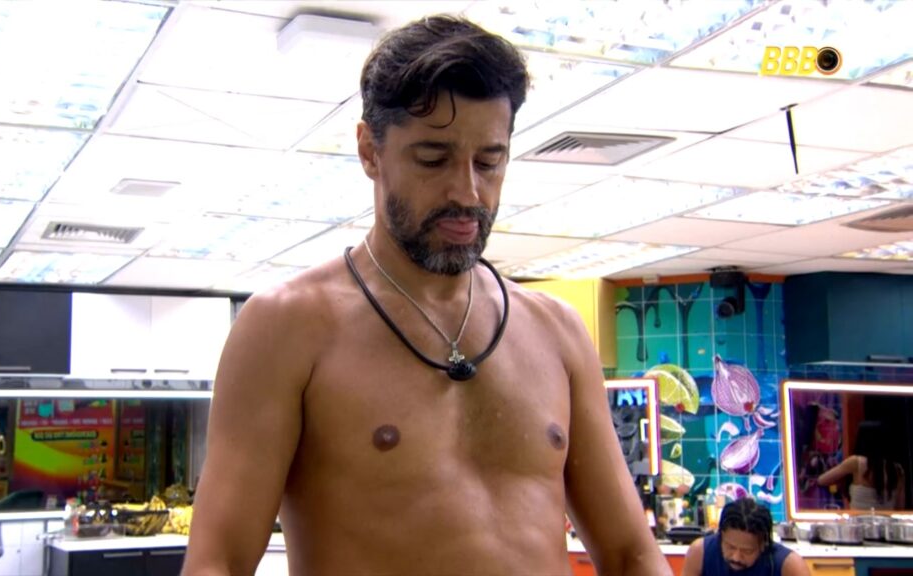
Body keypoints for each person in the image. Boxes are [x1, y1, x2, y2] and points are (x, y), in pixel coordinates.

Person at [182, 14, 669, 576]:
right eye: (433, 159)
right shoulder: (288, 327)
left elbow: (633, 554)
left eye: (489, 161)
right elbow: (217, 563)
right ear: (370, 151)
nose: (467, 191)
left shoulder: (556, 332)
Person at [682, 498, 809, 576]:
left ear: (763, 545)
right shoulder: (700, 552)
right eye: (730, 547)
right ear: (721, 535)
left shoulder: (789, 565)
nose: (736, 557)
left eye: (747, 551)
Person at [817, 420, 906, 510]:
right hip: (886, 519)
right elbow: (900, 506)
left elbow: (822, 480)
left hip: (859, 518)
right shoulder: (897, 469)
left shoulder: (856, 462)